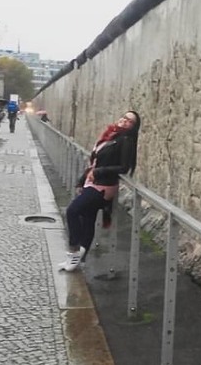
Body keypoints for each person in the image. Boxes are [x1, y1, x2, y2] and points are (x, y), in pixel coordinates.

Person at [59, 110, 141, 272]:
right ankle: (77, 260)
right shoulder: (111, 136)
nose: (124, 121)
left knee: (72, 211)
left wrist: (99, 172)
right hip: (93, 181)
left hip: (104, 185)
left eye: (129, 121)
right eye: (124, 117)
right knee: (87, 218)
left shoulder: (126, 140)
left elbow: (123, 168)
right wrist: (82, 180)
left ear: (133, 127)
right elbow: (95, 161)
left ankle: (74, 251)